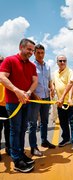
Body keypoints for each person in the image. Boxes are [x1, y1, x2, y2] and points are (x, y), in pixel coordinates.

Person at [0, 38, 38, 173]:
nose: (31, 52)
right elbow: (2, 77)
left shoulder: (32, 66)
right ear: (21, 47)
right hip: (12, 103)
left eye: (32, 50)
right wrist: (16, 90)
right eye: (29, 49)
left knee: (22, 130)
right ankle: (16, 160)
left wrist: (28, 92)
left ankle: (21, 154)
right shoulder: (9, 60)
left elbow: (35, 81)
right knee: (15, 130)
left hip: (26, 102)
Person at [28, 44, 55, 157]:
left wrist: (52, 88)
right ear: (34, 53)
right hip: (34, 99)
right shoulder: (30, 65)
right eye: (38, 53)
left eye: (42, 53)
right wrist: (33, 95)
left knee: (44, 122)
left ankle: (44, 141)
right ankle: (33, 147)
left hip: (46, 98)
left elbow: (49, 80)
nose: (40, 55)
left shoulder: (47, 66)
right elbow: (27, 83)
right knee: (33, 123)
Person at [52, 55, 73, 151]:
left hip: (69, 102)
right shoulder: (55, 73)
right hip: (60, 102)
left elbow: (71, 85)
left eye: (64, 60)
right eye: (60, 61)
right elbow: (54, 84)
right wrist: (52, 91)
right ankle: (66, 138)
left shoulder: (70, 71)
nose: (62, 62)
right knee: (63, 122)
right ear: (57, 62)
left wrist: (70, 98)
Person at [0, 56, 10, 160]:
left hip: (8, 106)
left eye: (2, 62)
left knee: (8, 129)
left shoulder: (7, 75)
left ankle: (8, 147)